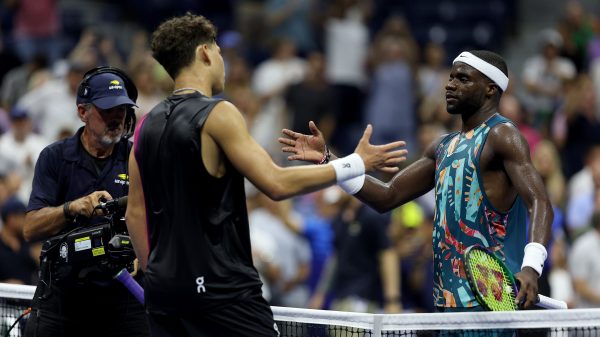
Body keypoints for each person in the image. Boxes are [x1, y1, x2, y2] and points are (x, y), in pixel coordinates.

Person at [125, 13, 406, 337]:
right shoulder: (219, 112)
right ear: (204, 53)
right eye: (218, 52)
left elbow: (135, 212)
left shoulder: (145, 124)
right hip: (222, 290)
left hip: (164, 293)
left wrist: (157, 273)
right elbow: (275, 183)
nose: (222, 61)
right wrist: (355, 163)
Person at [280, 50, 554, 311]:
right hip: (446, 299)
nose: (449, 85)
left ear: (490, 89)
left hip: (495, 300)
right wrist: (330, 160)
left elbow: (540, 201)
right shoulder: (442, 146)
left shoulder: (502, 135)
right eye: (450, 77)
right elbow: (387, 196)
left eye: (463, 78)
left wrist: (531, 267)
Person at [23, 66, 150, 337]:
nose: (117, 118)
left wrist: (143, 250)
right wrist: (73, 207)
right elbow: (30, 228)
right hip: (63, 300)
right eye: (107, 111)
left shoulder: (137, 157)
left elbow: (160, 215)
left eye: (122, 111)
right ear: (83, 112)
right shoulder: (55, 157)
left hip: (123, 299)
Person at [0, 196, 39, 285]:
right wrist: (5, 285)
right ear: (11, 219)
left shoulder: (29, 242)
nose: (26, 220)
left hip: (29, 296)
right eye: (23, 216)